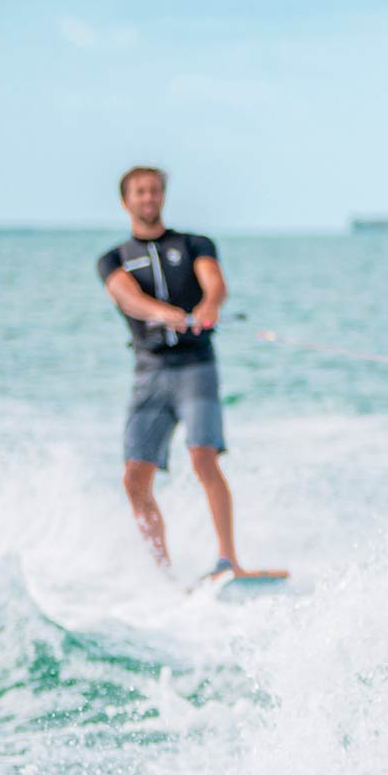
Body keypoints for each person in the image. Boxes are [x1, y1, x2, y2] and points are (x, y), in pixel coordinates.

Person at [98, 165, 247, 576]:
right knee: (134, 476)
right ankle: (163, 573)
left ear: (162, 196)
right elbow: (128, 299)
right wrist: (166, 314)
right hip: (149, 373)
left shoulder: (195, 243)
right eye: (140, 192)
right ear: (126, 201)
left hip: (196, 367)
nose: (148, 198)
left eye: (155, 191)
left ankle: (228, 561)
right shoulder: (112, 259)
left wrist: (208, 306)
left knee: (203, 457)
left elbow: (214, 282)